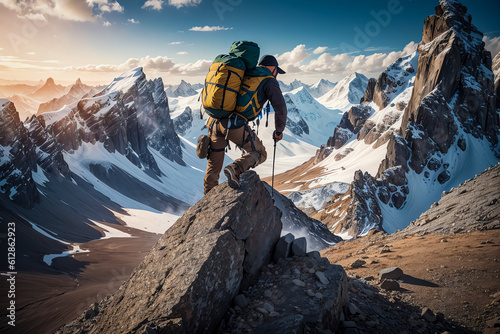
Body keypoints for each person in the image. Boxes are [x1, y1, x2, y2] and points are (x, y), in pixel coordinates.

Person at [203, 54, 287, 194]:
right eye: (277, 71)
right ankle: (235, 169)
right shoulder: (269, 80)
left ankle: (207, 199)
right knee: (260, 153)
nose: (277, 74)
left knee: (214, 164)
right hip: (234, 124)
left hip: (214, 122)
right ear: (273, 68)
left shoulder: (244, 73)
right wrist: (279, 131)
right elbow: (281, 108)